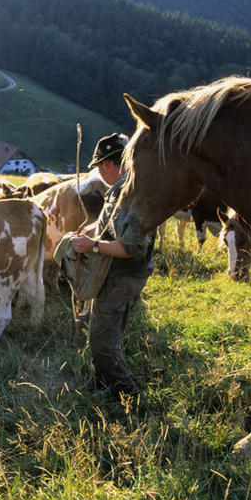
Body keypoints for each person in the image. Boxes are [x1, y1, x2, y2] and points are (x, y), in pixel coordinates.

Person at [71, 132, 156, 401]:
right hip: (112, 271)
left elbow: (132, 248)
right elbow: (109, 226)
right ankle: (101, 379)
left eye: (98, 167)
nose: (99, 172)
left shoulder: (132, 194)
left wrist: (92, 246)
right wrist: (90, 230)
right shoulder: (118, 190)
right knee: (100, 327)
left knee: (102, 339)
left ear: (107, 165)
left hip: (124, 274)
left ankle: (124, 391)